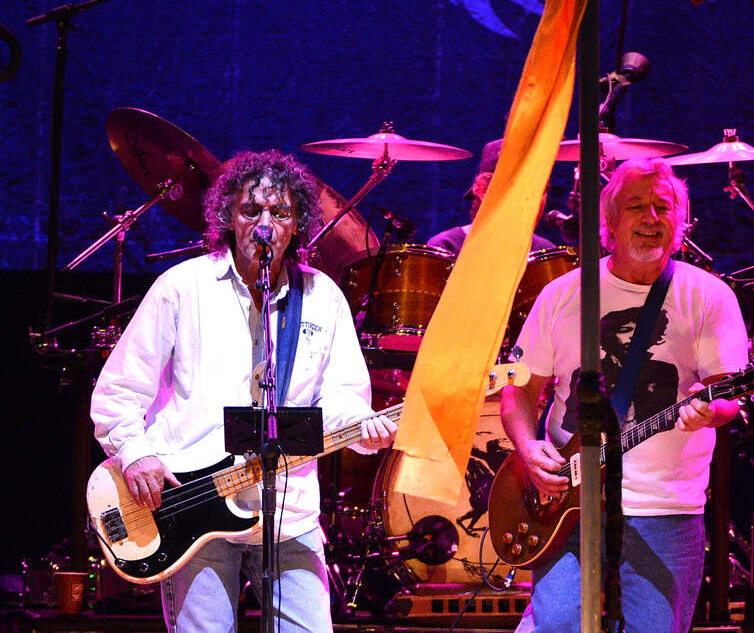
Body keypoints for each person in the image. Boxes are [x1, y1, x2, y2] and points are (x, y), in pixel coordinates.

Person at [91, 150, 398, 632]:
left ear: (297, 223)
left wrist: (362, 429)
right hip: (192, 506)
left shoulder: (322, 297)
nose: (265, 225)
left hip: (290, 512)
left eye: (280, 212)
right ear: (228, 218)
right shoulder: (183, 287)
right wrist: (135, 453)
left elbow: (342, 396)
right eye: (251, 211)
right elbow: (119, 389)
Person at [501, 157, 749, 633]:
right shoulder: (563, 294)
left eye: (664, 207)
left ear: (681, 222)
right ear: (609, 222)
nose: (651, 218)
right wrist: (528, 449)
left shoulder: (709, 297)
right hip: (568, 505)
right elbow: (520, 390)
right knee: (559, 626)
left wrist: (711, 410)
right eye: (636, 206)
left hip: (665, 508)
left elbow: (728, 395)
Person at [427, 138, 557, 254]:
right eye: (525, 189)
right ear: (484, 190)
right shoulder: (447, 247)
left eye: (541, 190)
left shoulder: (545, 251)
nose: (535, 201)